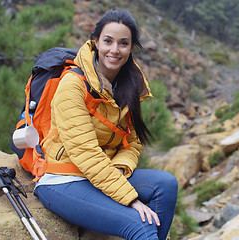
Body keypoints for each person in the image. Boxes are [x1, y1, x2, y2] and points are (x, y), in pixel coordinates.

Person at [34, 9, 178, 240]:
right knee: (140, 225)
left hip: (102, 175)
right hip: (64, 179)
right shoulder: (73, 85)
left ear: (131, 49)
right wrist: (129, 198)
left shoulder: (128, 84)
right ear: (95, 42)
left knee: (167, 184)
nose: (114, 50)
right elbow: (85, 152)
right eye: (108, 41)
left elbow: (132, 142)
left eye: (123, 43)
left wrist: (120, 170)